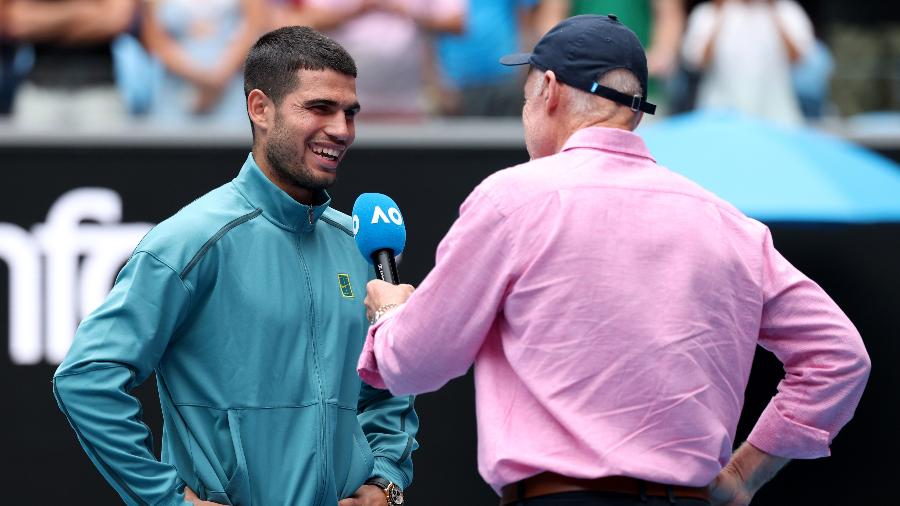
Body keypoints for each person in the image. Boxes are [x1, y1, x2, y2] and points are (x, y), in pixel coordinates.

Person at [357, 14, 870, 506]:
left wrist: (389, 314)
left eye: (525, 97)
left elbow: (416, 365)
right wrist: (742, 475)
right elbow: (840, 357)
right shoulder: (730, 224)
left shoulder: (512, 200)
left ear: (549, 90)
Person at [53, 26, 418, 506]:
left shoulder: (358, 244)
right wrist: (167, 500)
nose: (342, 130)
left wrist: (385, 481)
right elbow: (87, 376)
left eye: (350, 113)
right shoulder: (190, 240)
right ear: (260, 108)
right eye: (319, 108)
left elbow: (387, 385)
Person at [0, 0, 137, 128]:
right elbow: (16, 21)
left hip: (100, 93)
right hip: (39, 92)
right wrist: (81, 11)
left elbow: (115, 20)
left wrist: (46, 23)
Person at [681, 0, 814, 125]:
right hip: (719, 116)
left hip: (776, 118)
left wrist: (774, 11)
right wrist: (719, 14)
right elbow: (696, 61)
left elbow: (800, 58)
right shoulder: (708, 12)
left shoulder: (787, 11)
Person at [141, 0, 266, 124]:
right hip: (176, 94)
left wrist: (220, 77)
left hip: (231, 91)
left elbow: (253, 25)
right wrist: (203, 79)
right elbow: (155, 39)